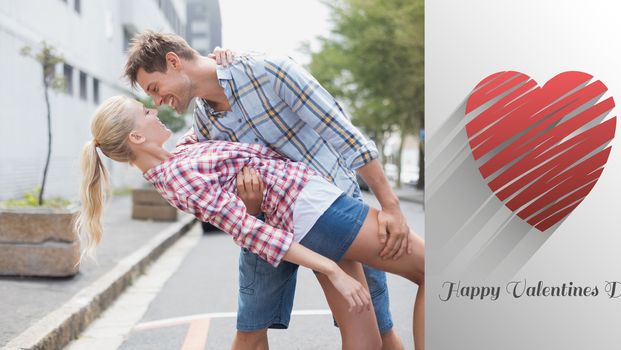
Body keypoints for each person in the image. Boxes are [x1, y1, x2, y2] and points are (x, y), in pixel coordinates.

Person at [123, 31, 413, 349]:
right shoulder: (204, 124)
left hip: (331, 203)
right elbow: (225, 203)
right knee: (251, 330)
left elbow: (345, 135)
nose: (156, 102)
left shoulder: (266, 71)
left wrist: (390, 205)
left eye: (154, 89)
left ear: (174, 62)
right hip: (267, 225)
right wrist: (250, 204)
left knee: (377, 329)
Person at [77, 95, 425, 349]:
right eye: (145, 112)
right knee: (432, 272)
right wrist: (330, 269)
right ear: (136, 138)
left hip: (315, 205)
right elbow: (248, 231)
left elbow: (212, 111)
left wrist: (224, 61)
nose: (154, 110)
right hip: (312, 210)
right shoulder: (177, 176)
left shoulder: (181, 153)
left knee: (365, 337)